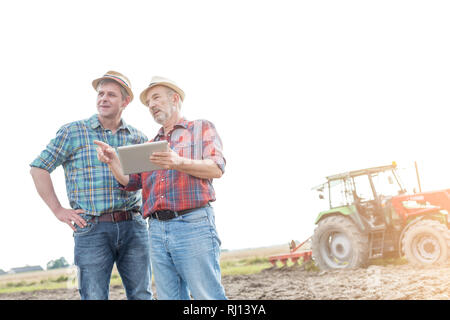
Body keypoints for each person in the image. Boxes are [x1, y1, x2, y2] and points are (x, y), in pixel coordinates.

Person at [94, 76, 227, 300]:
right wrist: (112, 162)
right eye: (148, 103)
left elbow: (216, 168)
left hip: (192, 224)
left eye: (156, 98)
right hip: (156, 230)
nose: (152, 105)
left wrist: (179, 162)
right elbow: (132, 183)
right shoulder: (149, 145)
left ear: (174, 98)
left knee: (207, 296)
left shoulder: (200, 128)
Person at [29, 71, 153, 300]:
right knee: (94, 296)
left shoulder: (137, 138)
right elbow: (39, 168)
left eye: (111, 95)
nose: (103, 98)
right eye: (100, 93)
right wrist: (58, 210)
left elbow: (147, 182)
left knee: (141, 295)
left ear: (125, 102)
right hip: (92, 229)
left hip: (133, 227)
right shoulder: (73, 132)